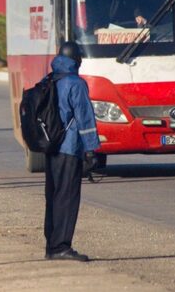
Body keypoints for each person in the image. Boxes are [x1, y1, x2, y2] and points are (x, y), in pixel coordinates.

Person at [44, 41, 100, 262]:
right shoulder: (76, 83)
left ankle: (51, 245)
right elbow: (85, 119)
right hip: (69, 148)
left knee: (54, 196)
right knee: (68, 198)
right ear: (76, 60)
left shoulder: (49, 79)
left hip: (51, 148)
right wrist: (91, 150)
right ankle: (61, 247)